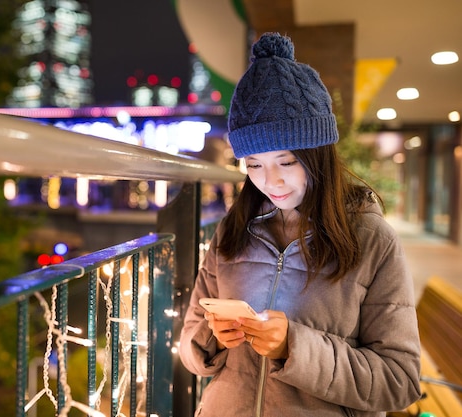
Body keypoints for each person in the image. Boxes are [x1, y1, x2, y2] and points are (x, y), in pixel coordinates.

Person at [178, 32, 421, 417]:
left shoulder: (372, 240)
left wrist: (296, 347)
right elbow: (191, 346)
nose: (270, 181)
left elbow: (399, 381)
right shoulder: (232, 230)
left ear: (317, 153)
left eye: (286, 162)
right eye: (253, 165)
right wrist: (213, 337)